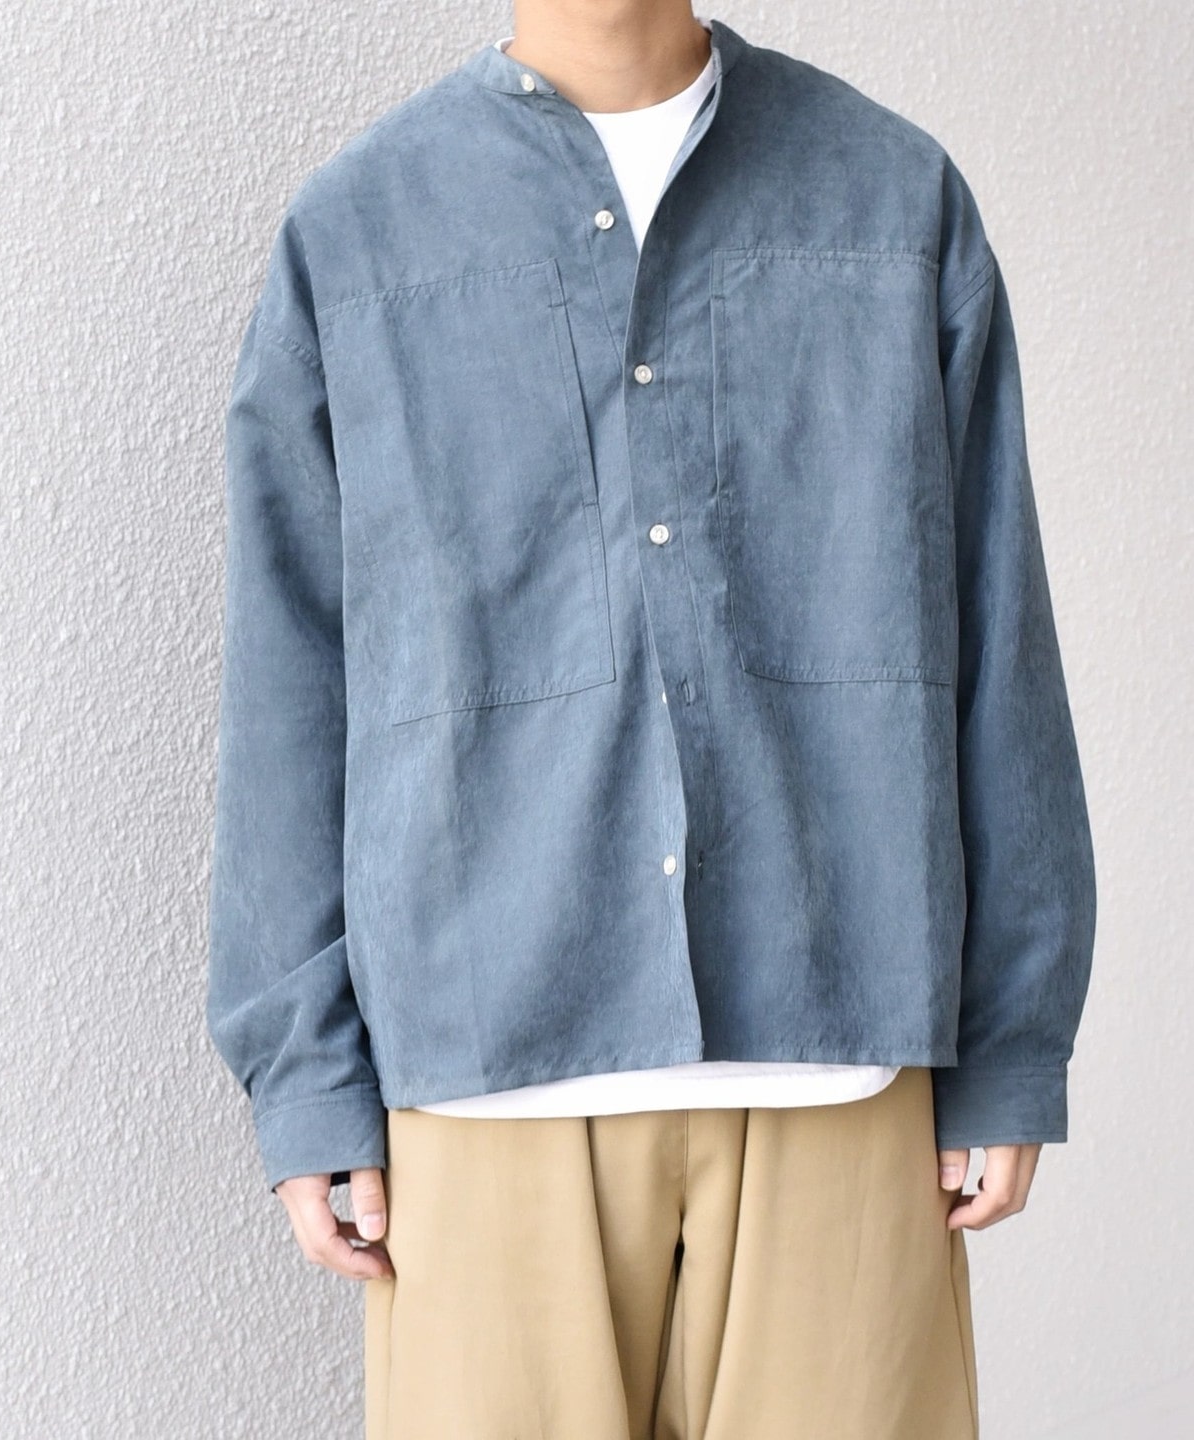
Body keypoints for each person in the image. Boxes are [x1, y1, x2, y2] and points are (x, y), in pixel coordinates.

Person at [205, 3, 1097, 1436]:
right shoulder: (357, 236)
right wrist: (306, 1073)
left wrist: (1011, 1036)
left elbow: (999, 634)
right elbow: (292, 679)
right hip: (485, 1070)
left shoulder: (893, 199)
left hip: (840, 1051)